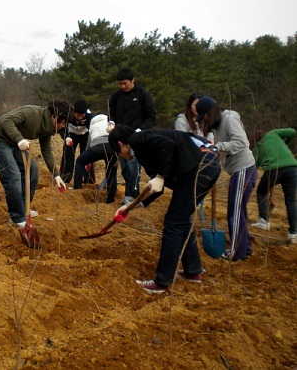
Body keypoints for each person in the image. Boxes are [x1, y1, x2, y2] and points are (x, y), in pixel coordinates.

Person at [108, 125, 221, 294]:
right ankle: (193, 271)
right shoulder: (145, 149)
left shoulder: (137, 139)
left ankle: (161, 281)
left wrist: (160, 176)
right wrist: (129, 207)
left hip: (199, 166)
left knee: (173, 222)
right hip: (207, 166)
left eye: (119, 153)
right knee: (181, 219)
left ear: (120, 144)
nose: (122, 157)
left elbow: (167, 145)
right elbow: (157, 188)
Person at [0, 101, 69, 228]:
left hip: (13, 142)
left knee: (33, 171)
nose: (62, 126)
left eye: (64, 124)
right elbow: (6, 121)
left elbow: (46, 150)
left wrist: (56, 175)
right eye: (61, 123)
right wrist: (19, 139)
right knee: (13, 176)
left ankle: (23, 208)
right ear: (53, 116)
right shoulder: (31, 113)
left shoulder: (48, 128)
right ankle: (17, 217)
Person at [196, 96, 256, 261]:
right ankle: (245, 248)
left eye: (204, 116)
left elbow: (242, 142)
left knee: (235, 212)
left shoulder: (229, 119)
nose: (204, 121)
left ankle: (237, 252)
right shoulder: (217, 125)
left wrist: (218, 147)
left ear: (210, 112)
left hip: (244, 168)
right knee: (237, 210)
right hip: (238, 171)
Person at [109, 68, 156, 205]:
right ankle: (134, 193)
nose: (122, 86)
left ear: (132, 80)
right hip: (120, 138)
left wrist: (139, 131)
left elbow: (151, 117)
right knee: (125, 168)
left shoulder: (143, 94)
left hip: (137, 137)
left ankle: (130, 195)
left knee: (133, 166)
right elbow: (111, 115)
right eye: (120, 84)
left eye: (125, 83)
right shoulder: (116, 97)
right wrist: (111, 124)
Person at [250, 128, 297, 244]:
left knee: (261, 192)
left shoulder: (256, 149)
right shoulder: (274, 134)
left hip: (272, 170)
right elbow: (293, 132)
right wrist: (285, 145)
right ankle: (293, 233)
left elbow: (253, 168)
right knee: (291, 201)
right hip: (292, 169)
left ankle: (263, 221)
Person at [72, 114, 118, 204]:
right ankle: (110, 199)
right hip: (111, 147)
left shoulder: (93, 125)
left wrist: (88, 160)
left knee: (80, 161)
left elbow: (89, 143)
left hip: (96, 147)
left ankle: (77, 188)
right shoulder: (111, 123)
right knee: (111, 173)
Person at [59, 100, 95, 184]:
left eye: (82, 116)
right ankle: (65, 178)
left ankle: (89, 180)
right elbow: (61, 128)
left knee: (87, 156)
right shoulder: (68, 114)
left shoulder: (90, 117)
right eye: (78, 115)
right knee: (68, 155)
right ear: (74, 112)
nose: (80, 118)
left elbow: (93, 130)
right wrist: (66, 137)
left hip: (85, 135)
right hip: (71, 135)